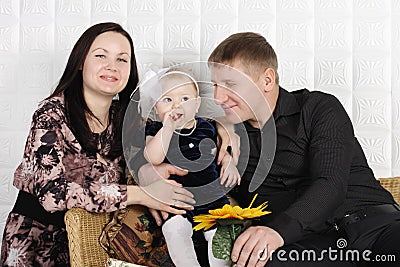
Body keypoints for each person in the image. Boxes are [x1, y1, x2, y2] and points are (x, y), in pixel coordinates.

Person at [0, 22, 195, 267]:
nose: (112, 66)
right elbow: (52, 194)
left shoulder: (128, 118)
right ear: (81, 61)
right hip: (38, 243)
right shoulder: (51, 113)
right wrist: (143, 195)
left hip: (97, 242)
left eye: (122, 60)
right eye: (101, 56)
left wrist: (225, 133)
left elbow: (178, 134)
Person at [207, 32, 400, 267]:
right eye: (215, 85)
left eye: (230, 84)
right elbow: (181, 170)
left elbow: (330, 184)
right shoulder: (225, 142)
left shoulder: (318, 108)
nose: (217, 97)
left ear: (267, 81)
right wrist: (216, 126)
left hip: (377, 228)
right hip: (313, 249)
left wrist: (276, 232)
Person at [142, 68, 240, 267]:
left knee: (223, 233)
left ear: (197, 104)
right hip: (178, 201)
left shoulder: (208, 127)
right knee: (175, 231)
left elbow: (220, 151)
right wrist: (168, 127)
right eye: (167, 100)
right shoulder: (156, 130)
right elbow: (152, 157)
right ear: (156, 107)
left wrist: (229, 162)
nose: (177, 105)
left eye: (185, 98)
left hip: (212, 198)